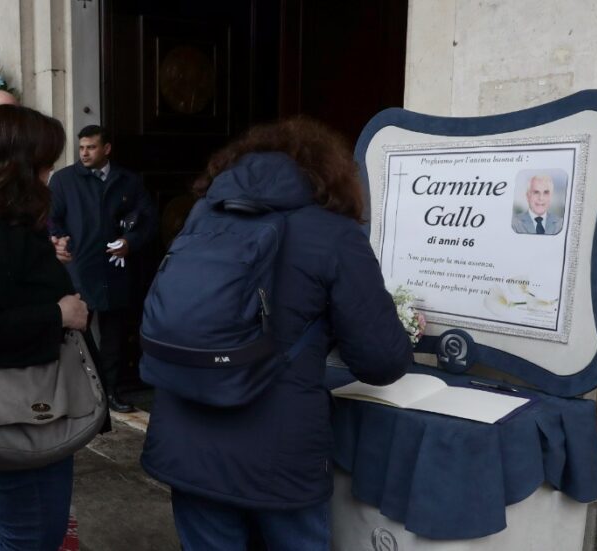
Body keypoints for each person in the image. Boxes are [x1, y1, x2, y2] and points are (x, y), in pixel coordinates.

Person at [139, 118, 413, 549]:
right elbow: (381, 360)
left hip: (184, 443)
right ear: (330, 175)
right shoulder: (335, 234)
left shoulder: (200, 218)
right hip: (278, 460)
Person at [0, 104, 88, 551]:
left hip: (31, 407)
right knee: (29, 534)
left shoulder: (1, 219)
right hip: (20, 411)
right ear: (19, 163)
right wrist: (58, 315)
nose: (51, 171)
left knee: (22, 529)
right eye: (45, 161)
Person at [49, 125, 156, 413]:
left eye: (91, 147)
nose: (84, 152)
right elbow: (51, 219)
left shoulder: (129, 181)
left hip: (115, 270)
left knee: (114, 339)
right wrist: (56, 240)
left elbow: (146, 219)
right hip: (79, 270)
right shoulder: (62, 180)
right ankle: (77, 396)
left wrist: (129, 242)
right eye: (81, 147)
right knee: (74, 337)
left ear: (106, 149)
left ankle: (109, 393)